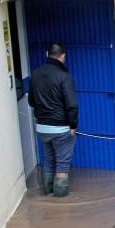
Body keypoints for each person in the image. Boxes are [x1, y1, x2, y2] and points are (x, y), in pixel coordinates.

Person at [29, 43, 78, 197]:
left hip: (42, 127)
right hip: (61, 128)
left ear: (47, 54)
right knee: (62, 164)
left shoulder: (36, 74)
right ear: (62, 57)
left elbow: (31, 101)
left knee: (49, 160)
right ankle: (61, 204)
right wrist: (73, 125)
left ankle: (47, 193)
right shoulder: (64, 76)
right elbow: (71, 104)